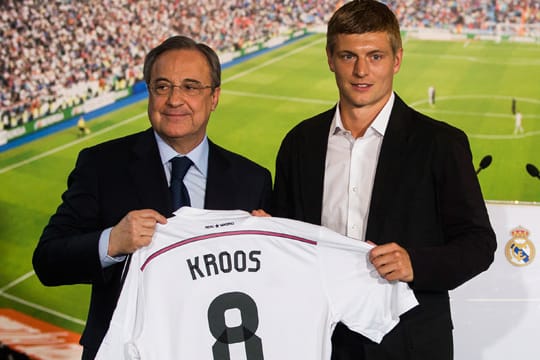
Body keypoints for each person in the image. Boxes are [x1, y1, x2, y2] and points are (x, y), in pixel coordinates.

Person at [272, 1, 497, 359]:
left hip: (408, 341)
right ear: (330, 58)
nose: (361, 71)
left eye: (375, 56)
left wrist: (416, 264)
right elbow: (286, 235)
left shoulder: (440, 143)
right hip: (317, 339)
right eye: (348, 56)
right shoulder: (300, 142)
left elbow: (478, 243)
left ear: (397, 59)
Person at [32, 35, 272, 360]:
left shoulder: (251, 180)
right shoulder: (101, 165)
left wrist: (269, 249)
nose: (174, 100)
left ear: (214, 97)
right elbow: (47, 261)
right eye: (162, 86)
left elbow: (269, 287)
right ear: (149, 92)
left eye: (190, 87)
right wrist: (111, 242)